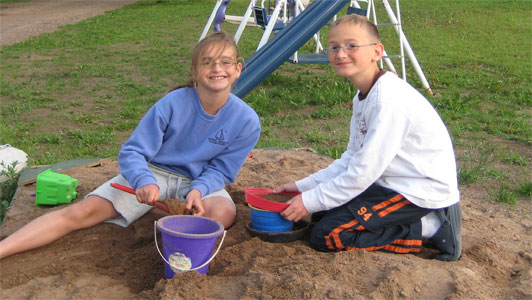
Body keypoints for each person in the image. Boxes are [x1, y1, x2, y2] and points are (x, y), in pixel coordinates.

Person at [0, 31, 261, 260]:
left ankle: (178, 245)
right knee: (83, 213)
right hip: (153, 171)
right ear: (194, 71)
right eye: (207, 62)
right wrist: (143, 180)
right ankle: (4, 249)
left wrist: (199, 189)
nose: (217, 68)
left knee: (223, 213)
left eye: (225, 62)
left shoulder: (247, 120)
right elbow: (133, 151)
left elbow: (222, 170)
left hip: (199, 179)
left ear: (237, 69)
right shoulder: (172, 104)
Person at [273, 14, 461, 261]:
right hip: (389, 182)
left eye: (352, 46)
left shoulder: (388, 101)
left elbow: (362, 172)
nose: (341, 54)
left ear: (377, 51)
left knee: (327, 235)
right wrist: (303, 187)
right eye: (334, 47)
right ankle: (414, 224)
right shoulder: (365, 95)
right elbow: (352, 157)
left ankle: (430, 227)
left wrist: (308, 201)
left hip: (417, 190)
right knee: (321, 213)